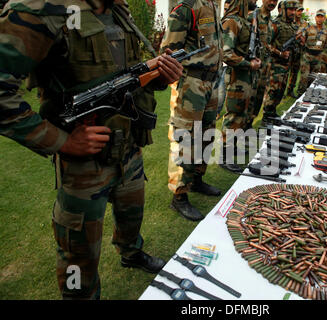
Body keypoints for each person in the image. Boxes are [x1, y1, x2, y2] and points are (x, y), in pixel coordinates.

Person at [0, 0, 183, 299]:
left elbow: (125, 80)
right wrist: (63, 141)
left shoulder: (119, 10)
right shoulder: (42, 8)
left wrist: (159, 78)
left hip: (130, 151)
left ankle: (131, 252)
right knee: (78, 256)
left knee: (131, 219)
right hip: (83, 165)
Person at [160, 0, 223, 221]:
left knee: (206, 134)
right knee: (185, 137)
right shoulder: (186, 8)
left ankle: (197, 180)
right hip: (191, 83)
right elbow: (167, 52)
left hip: (211, 82)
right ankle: (179, 196)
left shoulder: (212, 6)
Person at [220, 0, 261, 173]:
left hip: (247, 77)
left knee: (243, 115)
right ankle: (224, 156)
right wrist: (247, 64)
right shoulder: (232, 21)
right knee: (233, 117)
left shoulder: (245, 20)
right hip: (237, 77)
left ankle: (233, 147)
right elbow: (226, 53)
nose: (256, 1)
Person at [260, 0, 298, 125]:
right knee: (273, 91)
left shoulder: (292, 26)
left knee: (280, 91)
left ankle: (272, 113)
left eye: (294, 10)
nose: (293, 12)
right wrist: (279, 53)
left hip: (286, 65)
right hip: (275, 64)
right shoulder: (275, 24)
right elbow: (266, 44)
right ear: (283, 10)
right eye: (290, 10)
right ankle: (266, 117)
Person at [246, 0, 278, 128]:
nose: (272, 2)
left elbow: (269, 44)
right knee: (246, 105)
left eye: (275, 0)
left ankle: (248, 127)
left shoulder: (271, 22)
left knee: (258, 102)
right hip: (251, 69)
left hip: (264, 69)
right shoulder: (252, 17)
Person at [297, 9, 327, 96]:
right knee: (304, 77)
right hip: (307, 56)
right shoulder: (308, 28)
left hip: (318, 57)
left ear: (324, 19)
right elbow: (302, 40)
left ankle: (310, 95)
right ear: (315, 18)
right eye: (318, 16)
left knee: (314, 78)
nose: (319, 19)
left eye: (321, 17)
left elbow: (325, 44)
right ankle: (300, 94)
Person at [286, 3, 308, 98]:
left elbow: (307, 36)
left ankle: (290, 90)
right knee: (286, 71)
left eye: (301, 11)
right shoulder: (290, 22)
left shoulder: (304, 23)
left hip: (299, 50)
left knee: (295, 72)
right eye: (298, 10)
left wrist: (304, 40)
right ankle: (282, 89)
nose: (299, 13)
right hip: (289, 50)